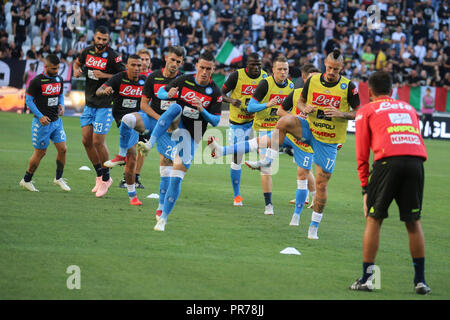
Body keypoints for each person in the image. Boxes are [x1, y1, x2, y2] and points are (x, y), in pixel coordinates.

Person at [244, 49, 360, 240]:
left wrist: (342, 114)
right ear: (325, 64)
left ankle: (314, 225)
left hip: (328, 140)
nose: (331, 72)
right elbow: (301, 101)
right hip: (309, 129)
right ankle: (267, 161)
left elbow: (359, 112)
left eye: (336, 69)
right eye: (329, 67)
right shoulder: (313, 81)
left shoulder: (349, 87)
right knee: (283, 122)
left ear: (342, 68)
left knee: (322, 186)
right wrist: (303, 108)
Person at [350, 71, 430, 295]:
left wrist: (365, 189)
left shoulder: (366, 110)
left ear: (370, 92)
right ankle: (420, 281)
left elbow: (361, 153)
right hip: (416, 162)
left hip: (387, 163)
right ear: (392, 91)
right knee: (413, 221)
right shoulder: (408, 108)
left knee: (374, 219)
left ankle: (367, 279)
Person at [137, 51, 223, 231]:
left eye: (209, 69)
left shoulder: (215, 92)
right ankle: (149, 143)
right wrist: (167, 94)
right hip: (175, 126)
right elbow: (160, 92)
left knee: (176, 177)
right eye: (202, 67)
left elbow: (215, 121)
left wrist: (202, 110)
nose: (205, 72)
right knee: (175, 107)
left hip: (193, 135)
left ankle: (163, 218)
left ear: (213, 69)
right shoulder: (184, 80)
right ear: (197, 66)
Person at [73, 26, 126, 198]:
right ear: (94, 37)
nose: (101, 42)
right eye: (99, 38)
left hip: (105, 104)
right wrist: (76, 69)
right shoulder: (87, 51)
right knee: (86, 141)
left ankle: (107, 178)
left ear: (108, 40)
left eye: (105, 39)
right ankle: (99, 175)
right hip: (89, 103)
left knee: (97, 142)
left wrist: (103, 75)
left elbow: (123, 75)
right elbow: (77, 62)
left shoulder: (113, 56)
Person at [133, 46, 185, 219]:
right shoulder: (153, 77)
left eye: (178, 62)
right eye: (172, 60)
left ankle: (162, 205)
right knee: (166, 160)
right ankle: (161, 205)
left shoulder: (183, 80)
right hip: (157, 123)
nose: (174, 64)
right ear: (166, 58)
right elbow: (143, 104)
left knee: (168, 161)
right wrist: (160, 120)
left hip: (176, 127)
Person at [241, 55, 294, 215]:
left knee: (304, 165)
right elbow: (250, 107)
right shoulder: (265, 84)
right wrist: (267, 104)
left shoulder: (291, 87)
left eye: (285, 69)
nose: (283, 72)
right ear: (273, 70)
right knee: (266, 168)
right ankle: (268, 205)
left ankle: (309, 198)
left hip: (282, 130)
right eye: (279, 69)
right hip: (264, 128)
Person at [96, 54, 147, 205]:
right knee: (132, 158)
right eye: (134, 65)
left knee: (132, 158)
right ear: (127, 66)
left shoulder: (145, 81)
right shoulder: (118, 78)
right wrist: (104, 91)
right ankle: (132, 195)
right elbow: (99, 90)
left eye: (139, 65)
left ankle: (122, 157)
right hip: (122, 120)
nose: (137, 68)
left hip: (138, 120)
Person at [221, 52, 268, 206]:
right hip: (238, 124)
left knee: (266, 158)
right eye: (253, 64)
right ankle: (237, 195)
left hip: (257, 122)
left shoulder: (265, 77)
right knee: (237, 157)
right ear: (246, 65)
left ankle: (268, 200)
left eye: (258, 64)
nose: (256, 67)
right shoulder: (236, 76)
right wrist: (231, 100)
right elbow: (220, 94)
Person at [19, 54, 70, 193]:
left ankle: (58, 178)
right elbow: (28, 101)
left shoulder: (59, 79)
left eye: (58, 68)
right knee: (41, 153)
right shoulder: (36, 81)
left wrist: (62, 105)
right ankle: (26, 180)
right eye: (54, 69)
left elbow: (60, 94)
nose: (56, 71)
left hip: (56, 122)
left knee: (63, 149)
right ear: (46, 67)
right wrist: (40, 116)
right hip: (42, 123)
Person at [117, 48, 153, 189]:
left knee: (142, 149)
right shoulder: (129, 77)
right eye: (141, 60)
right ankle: (127, 178)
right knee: (129, 148)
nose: (144, 63)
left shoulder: (153, 78)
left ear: (150, 62)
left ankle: (136, 177)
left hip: (146, 119)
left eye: (146, 60)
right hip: (132, 118)